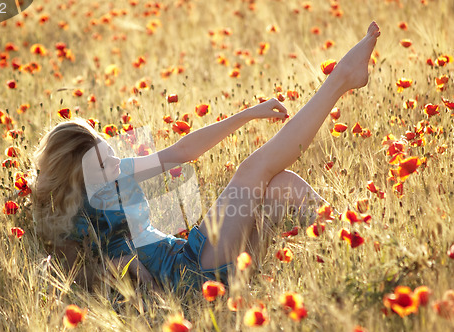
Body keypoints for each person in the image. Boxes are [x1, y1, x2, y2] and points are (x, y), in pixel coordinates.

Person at [32, 22, 380, 292]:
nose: (116, 164)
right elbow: (115, 269)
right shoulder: (83, 226)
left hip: (193, 258)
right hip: (190, 276)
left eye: (110, 153)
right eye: (105, 164)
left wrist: (248, 114)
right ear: (78, 177)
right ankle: (341, 79)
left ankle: (358, 248)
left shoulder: (113, 175)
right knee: (254, 169)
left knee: (282, 186)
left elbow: (182, 152)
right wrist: (145, 289)